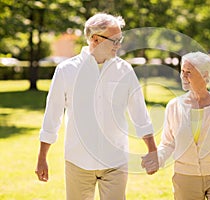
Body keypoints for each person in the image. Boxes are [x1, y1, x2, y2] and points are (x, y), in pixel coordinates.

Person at [35, 13, 158, 200]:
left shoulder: (124, 70)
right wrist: (42, 157)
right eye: (115, 40)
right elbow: (52, 117)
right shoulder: (66, 70)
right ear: (95, 39)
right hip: (78, 161)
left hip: (115, 161)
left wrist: (152, 151)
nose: (119, 45)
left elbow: (139, 113)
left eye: (120, 39)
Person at [144, 52, 210, 200]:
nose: (183, 76)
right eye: (182, 71)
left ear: (204, 75)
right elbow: (168, 143)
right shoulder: (174, 106)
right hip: (185, 178)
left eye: (188, 72)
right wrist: (157, 159)